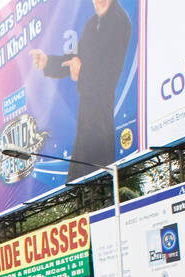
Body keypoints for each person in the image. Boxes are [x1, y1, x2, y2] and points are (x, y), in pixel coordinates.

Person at [29, 0, 133, 181]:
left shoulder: (119, 21)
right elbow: (75, 59)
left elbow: (110, 74)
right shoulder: (92, 24)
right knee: (78, 182)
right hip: (86, 115)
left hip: (100, 118)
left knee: (97, 177)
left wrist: (81, 72)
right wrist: (48, 62)